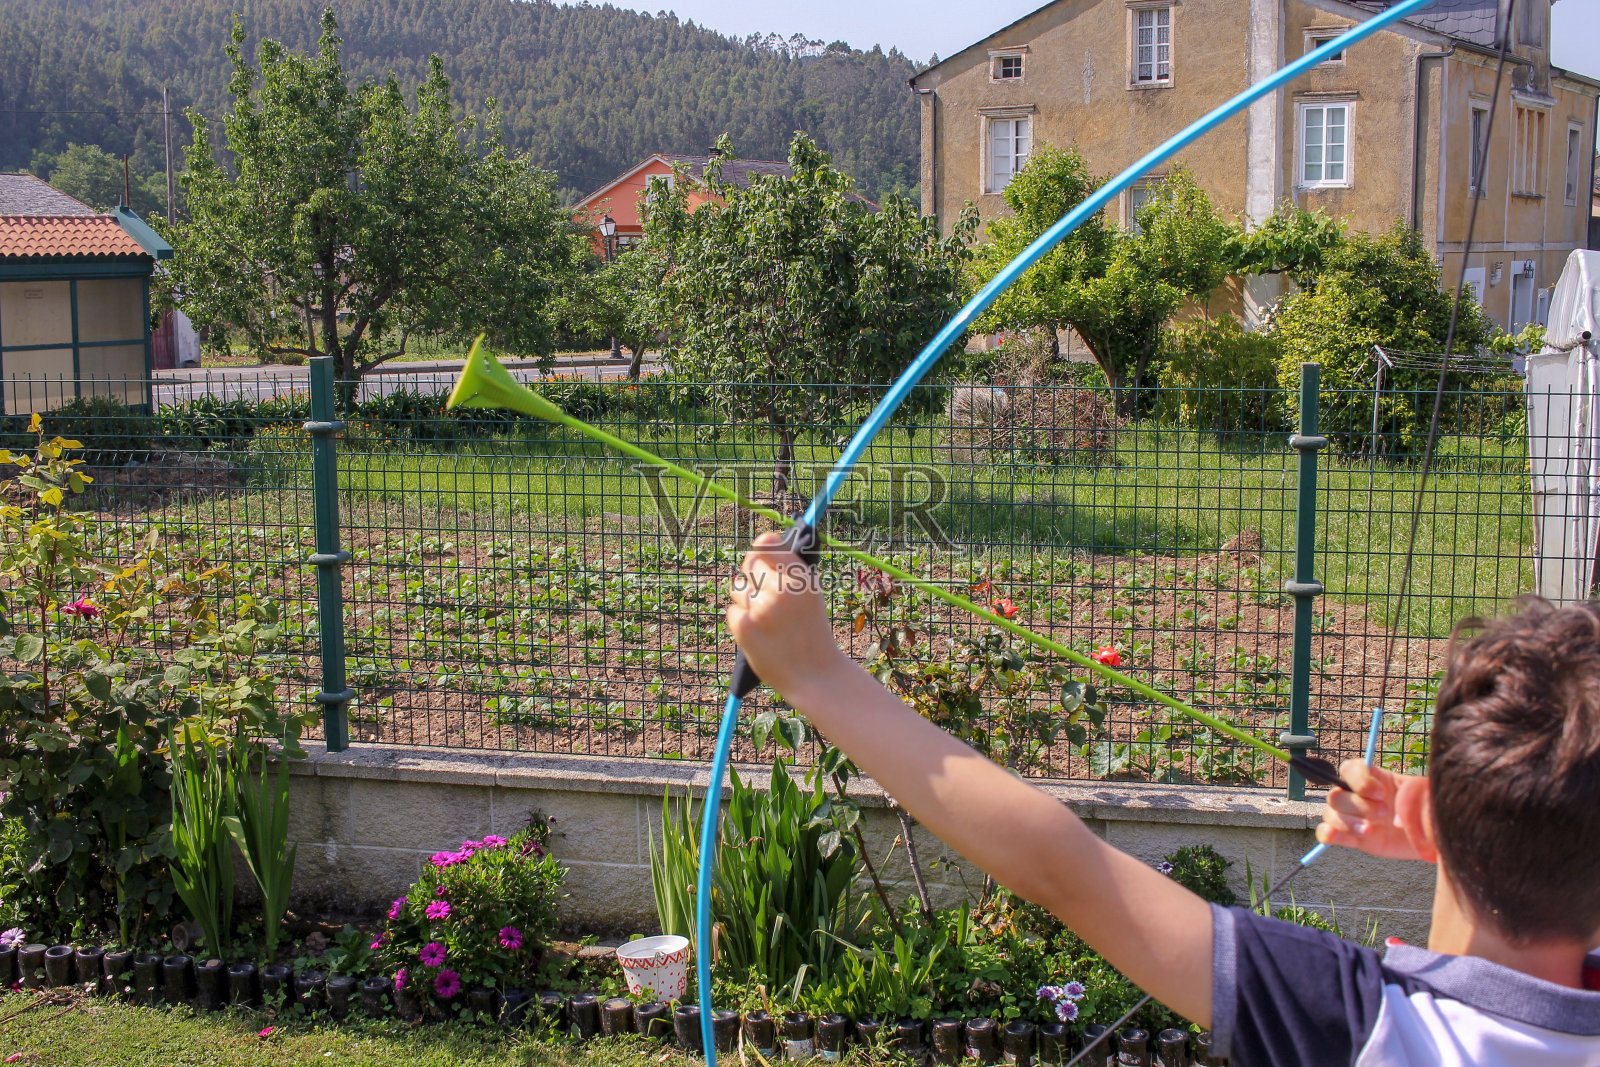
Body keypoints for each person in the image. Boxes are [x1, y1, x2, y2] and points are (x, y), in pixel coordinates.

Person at [726, 534, 1600, 1066]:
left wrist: (816, 674)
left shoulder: (1368, 1028)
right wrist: (1463, 826)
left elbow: (1066, 870)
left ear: (1442, 809)